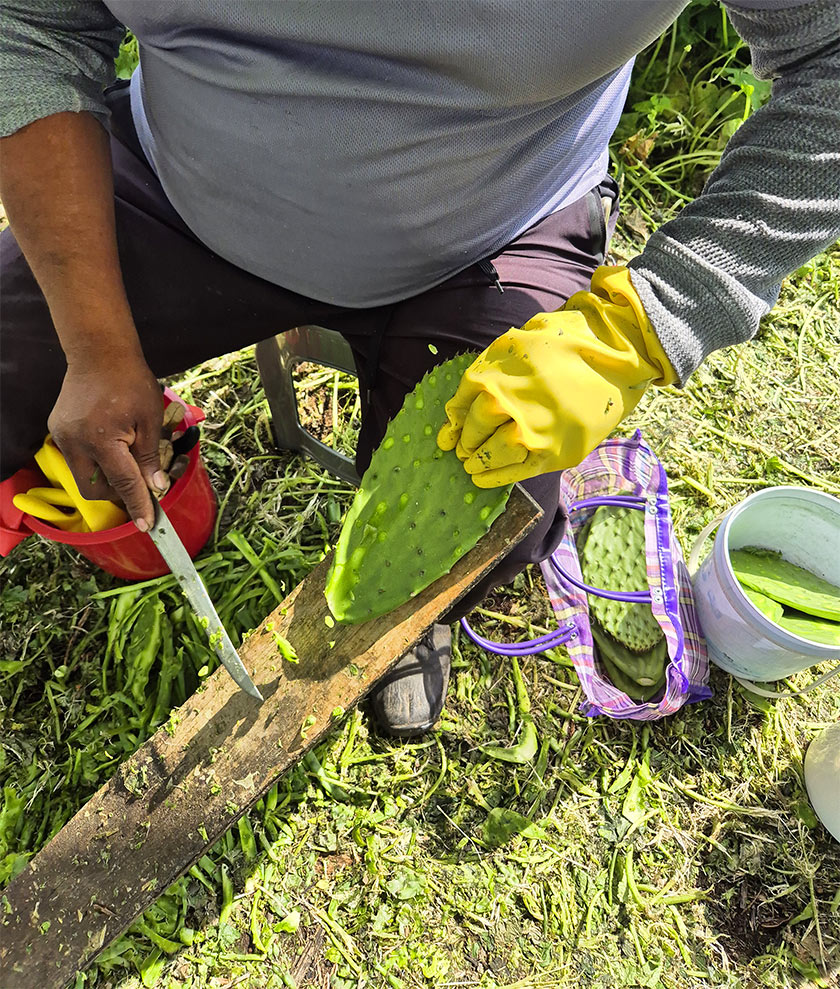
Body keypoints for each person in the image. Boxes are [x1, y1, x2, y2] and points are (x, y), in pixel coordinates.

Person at [1, 1, 838, 736]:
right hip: (181, 185)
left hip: (496, 223)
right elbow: (33, 25)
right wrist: (95, 345)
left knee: (498, 508)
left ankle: (410, 618)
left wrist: (649, 323)